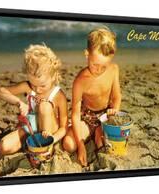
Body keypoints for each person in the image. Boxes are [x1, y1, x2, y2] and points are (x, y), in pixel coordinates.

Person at [62, 27, 122, 166]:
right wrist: (81, 145)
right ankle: (89, 136)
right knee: (69, 145)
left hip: (105, 115)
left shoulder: (113, 70)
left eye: (104, 66)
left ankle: (97, 134)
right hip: (86, 117)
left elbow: (117, 96)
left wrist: (114, 110)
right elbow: (75, 115)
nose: (99, 70)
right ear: (86, 54)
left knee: (105, 143)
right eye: (95, 65)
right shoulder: (80, 81)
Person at [0, 44, 68, 155]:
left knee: (44, 106)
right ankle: (30, 144)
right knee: (3, 147)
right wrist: (19, 102)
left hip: (49, 131)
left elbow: (64, 128)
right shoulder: (28, 87)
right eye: (34, 85)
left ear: (53, 76)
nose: (37, 90)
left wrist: (53, 138)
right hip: (32, 126)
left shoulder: (58, 95)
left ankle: (46, 147)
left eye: (42, 85)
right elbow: (0, 91)